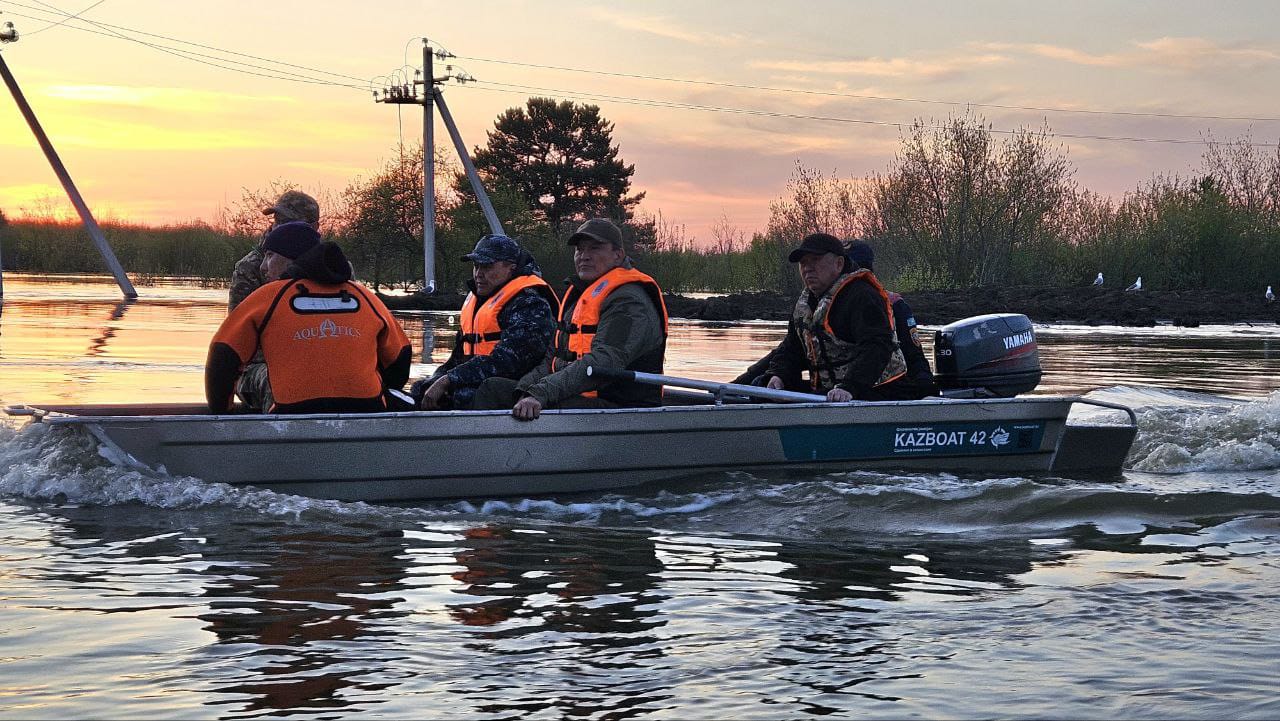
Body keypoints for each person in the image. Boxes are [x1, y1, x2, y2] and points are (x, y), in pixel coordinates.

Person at [472, 218, 668, 420]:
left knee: (540, 404)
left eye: (594, 249)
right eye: (579, 250)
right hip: (581, 396)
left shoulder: (629, 301)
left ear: (618, 255)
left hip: (622, 407)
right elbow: (552, 359)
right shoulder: (579, 297)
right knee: (493, 388)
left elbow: (603, 363)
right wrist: (525, 389)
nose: (584, 256)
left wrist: (541, 393)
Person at [206, 222, 411, 414]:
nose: (263, 267)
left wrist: (221, 414)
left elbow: (222, 356)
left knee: (245, 375)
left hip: (289, 411)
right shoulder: (364, 296)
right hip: (367, 409)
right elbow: (400, 359)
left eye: (270, 256)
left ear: (292, 259)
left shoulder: (269, 296)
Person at [410, 234, 558, 410]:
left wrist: (449, 380)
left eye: (487, 266)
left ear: (511, 268)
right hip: (479, 378)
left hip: (519, 386)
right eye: (476, 266)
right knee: (420, 388)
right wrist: (437, 379)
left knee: (462, 395)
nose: (479, 274)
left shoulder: (530, 303)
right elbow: (457, 358)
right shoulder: (478, 300)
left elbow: (509, 362)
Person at [764, 232, 916, 402]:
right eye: (803, 262)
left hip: (881, 391)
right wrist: (778, 375)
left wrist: (850, 386)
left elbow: (877, 346)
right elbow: (792, 348)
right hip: (831, 392)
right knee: (763, 387)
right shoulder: (806, 303)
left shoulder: (862, 296)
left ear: (838, 264)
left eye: (815, 260)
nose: (807, 268)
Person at [846, 241, 938, 396]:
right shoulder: (825, 306)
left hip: (888, 387)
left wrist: (925, 386)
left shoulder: (893, 304)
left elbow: (913, 354)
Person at [229, 190, 320, 311]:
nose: (278, 227)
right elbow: (237, 323)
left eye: (287, 222)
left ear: (314, 227)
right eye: (277, 221)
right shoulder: (250, 267)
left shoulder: (333, 265)